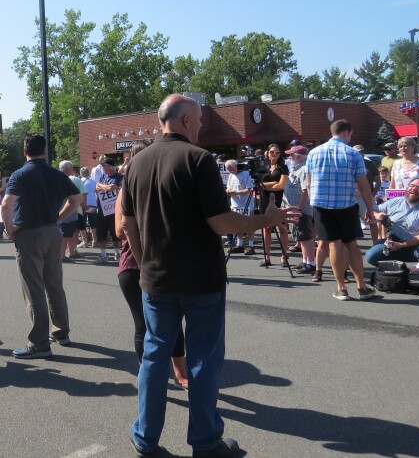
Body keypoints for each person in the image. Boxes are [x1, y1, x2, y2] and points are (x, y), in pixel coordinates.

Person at [122, 94, 299, 457]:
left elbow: (128, 223)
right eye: (199, 119)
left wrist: (145, 262)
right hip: (200, 279)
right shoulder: (198, 160)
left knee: (155, 358)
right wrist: (266, 220)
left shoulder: (136, 163)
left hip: (155, 278)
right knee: (202, 360)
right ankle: (205, 442)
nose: (201, 125)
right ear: (185, 121)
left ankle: (145, 439)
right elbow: (220, 222)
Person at [114, 141, 188, 390]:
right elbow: (120, 230)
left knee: (173, 320)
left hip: (165, 263)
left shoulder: (163, 186)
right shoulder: (126, 190)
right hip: (135, 266)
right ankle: (147, 374)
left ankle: (180, 371)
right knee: (143, 324)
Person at [1, 134, 80, 359]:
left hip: (29, 233)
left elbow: (7, 204)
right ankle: (61, 331)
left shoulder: (20, 174)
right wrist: (59, 218)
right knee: (55, 283)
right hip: (52, 232)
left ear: (24, 151)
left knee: (34, 288)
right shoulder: (56, 173)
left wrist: (10, 229)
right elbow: (76, 199)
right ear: (44, 151)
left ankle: (40, 342)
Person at [305, 119, 377, 301]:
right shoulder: (353, 154)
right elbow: (364, 185)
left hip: (321, 205)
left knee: (333, 243)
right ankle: (361, 287)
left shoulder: (313, 153)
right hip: (346, 204)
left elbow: (308, 183)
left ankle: (341, 288)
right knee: (351, 244)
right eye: (350, 134)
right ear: (346, 132)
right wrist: (370, 209)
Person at [365, 178, 419, 290]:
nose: (414, 189)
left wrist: (401, 245)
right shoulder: (395, 201)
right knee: (371, 256)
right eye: (412, 185)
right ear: (407, 188)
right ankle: (399, 271)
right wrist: (376, 215)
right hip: (394, 242)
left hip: (417, 245)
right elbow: (372, 210)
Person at [283, 146, 317, 275]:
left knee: (305, 236)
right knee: (300, 237)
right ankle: (305, 260)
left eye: (292, 155)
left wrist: (300, 208)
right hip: (294, 209)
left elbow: (305, 191)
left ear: (299, 156)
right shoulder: (296, 169)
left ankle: (311, 263)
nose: (289, 157)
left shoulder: (303, 169)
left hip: (300, 210)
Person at [258, 144, 290, 268]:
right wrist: (272, 184)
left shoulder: (283, 167)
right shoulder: (262, 166)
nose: (275, 154)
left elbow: (281, 185)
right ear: (267, 153)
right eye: (272, 152)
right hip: (264, 200)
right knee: (266, 229)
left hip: (279, 200)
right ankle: (267, 257)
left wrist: (266, 185)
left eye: (277, 152)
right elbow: (258, 184)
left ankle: (283, 257)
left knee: (282, 228)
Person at [94, 158, 123, 264]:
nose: (102, 168)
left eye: (104, 166)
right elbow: (96, 187)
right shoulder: (103, 176)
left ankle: (117, 253)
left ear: (110, 167)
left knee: (115, 232)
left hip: (114, 209)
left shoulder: (119, 177)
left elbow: (112, 187)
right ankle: (103, 254)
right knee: (101, 232)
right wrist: (103, 187)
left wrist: (103, 187)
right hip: (102, 208)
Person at [225, 160, 255, 255]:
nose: (230, 171)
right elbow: (228, 187)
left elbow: (249, 189)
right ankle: (239, 244)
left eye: (231, 169)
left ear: (236, 166)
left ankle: (250, 246)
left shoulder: (246, 174)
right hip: (235, 204)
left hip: (246, 204)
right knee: (237, 226)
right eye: (228, 170)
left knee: (249, 225)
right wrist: (228, 190)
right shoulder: (231, 175)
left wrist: (236, 193)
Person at [58, 160, 86, 261]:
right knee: (65, 234)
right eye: (71, 168)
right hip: (66, 211)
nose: (73, 169)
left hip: (69, 211)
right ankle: (62, 255)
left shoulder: (64, 178)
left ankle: (72, 252)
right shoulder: (63, 179)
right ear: (67, 169)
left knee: (70, 233)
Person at [353, 144, 381, 243]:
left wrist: (373, 193)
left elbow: (378, 180)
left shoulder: (370, 164)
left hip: (367, 195)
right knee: (352, 222)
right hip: (353, 196)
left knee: (372, 220)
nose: (359, 153)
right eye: (357, 152)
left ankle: (375, 244)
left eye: (361, 151)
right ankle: (353, 246)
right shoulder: (350, 164)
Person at [79, 166, 98, 248]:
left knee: (82, 223)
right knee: (93, 222)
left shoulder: (80, 181)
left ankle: (85, 241)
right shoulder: (93, 182)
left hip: (83, 204)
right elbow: (96, 192)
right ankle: (94, 240)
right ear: (89, 173)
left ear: (81, 173)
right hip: (93, 204)